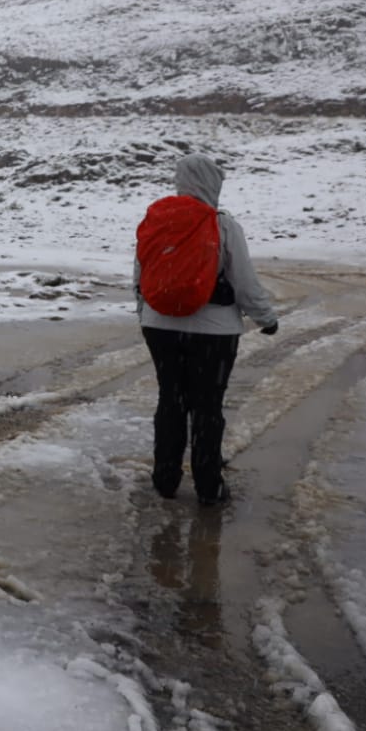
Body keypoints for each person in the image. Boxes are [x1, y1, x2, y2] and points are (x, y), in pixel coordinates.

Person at [136, 154, 279, 506]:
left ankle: (166, 480)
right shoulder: (222, 223)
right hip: (214, 332)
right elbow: (243, 281)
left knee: (170, 400)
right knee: (207, 406)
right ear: (213, 183)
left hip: (159, 327)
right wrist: (266, 318)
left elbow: (140, 275)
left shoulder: (156, 220)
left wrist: (146, 315)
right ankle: (208, 486)